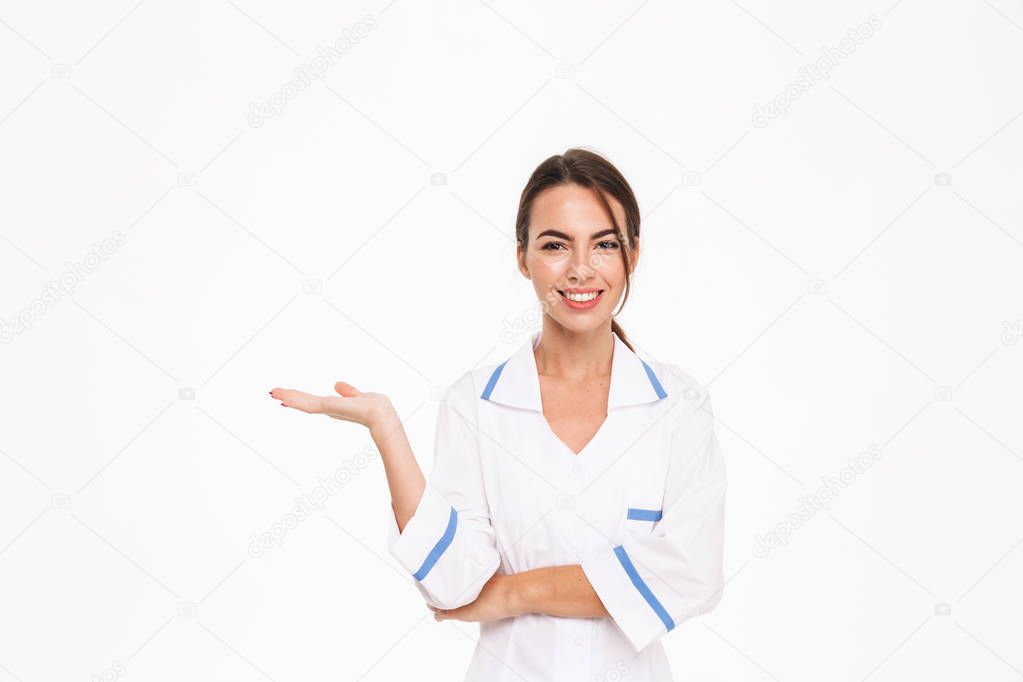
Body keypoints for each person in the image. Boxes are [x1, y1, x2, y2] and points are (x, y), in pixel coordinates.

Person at [269, 147, 728, 681]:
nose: (581, 268)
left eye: (604, 245)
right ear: (522, 257)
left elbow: (693, 573)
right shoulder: (473, 404)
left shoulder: (678, 405)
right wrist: (387, 431)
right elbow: (453, 582)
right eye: (555, 245)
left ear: (633, 254)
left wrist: (515, 591)